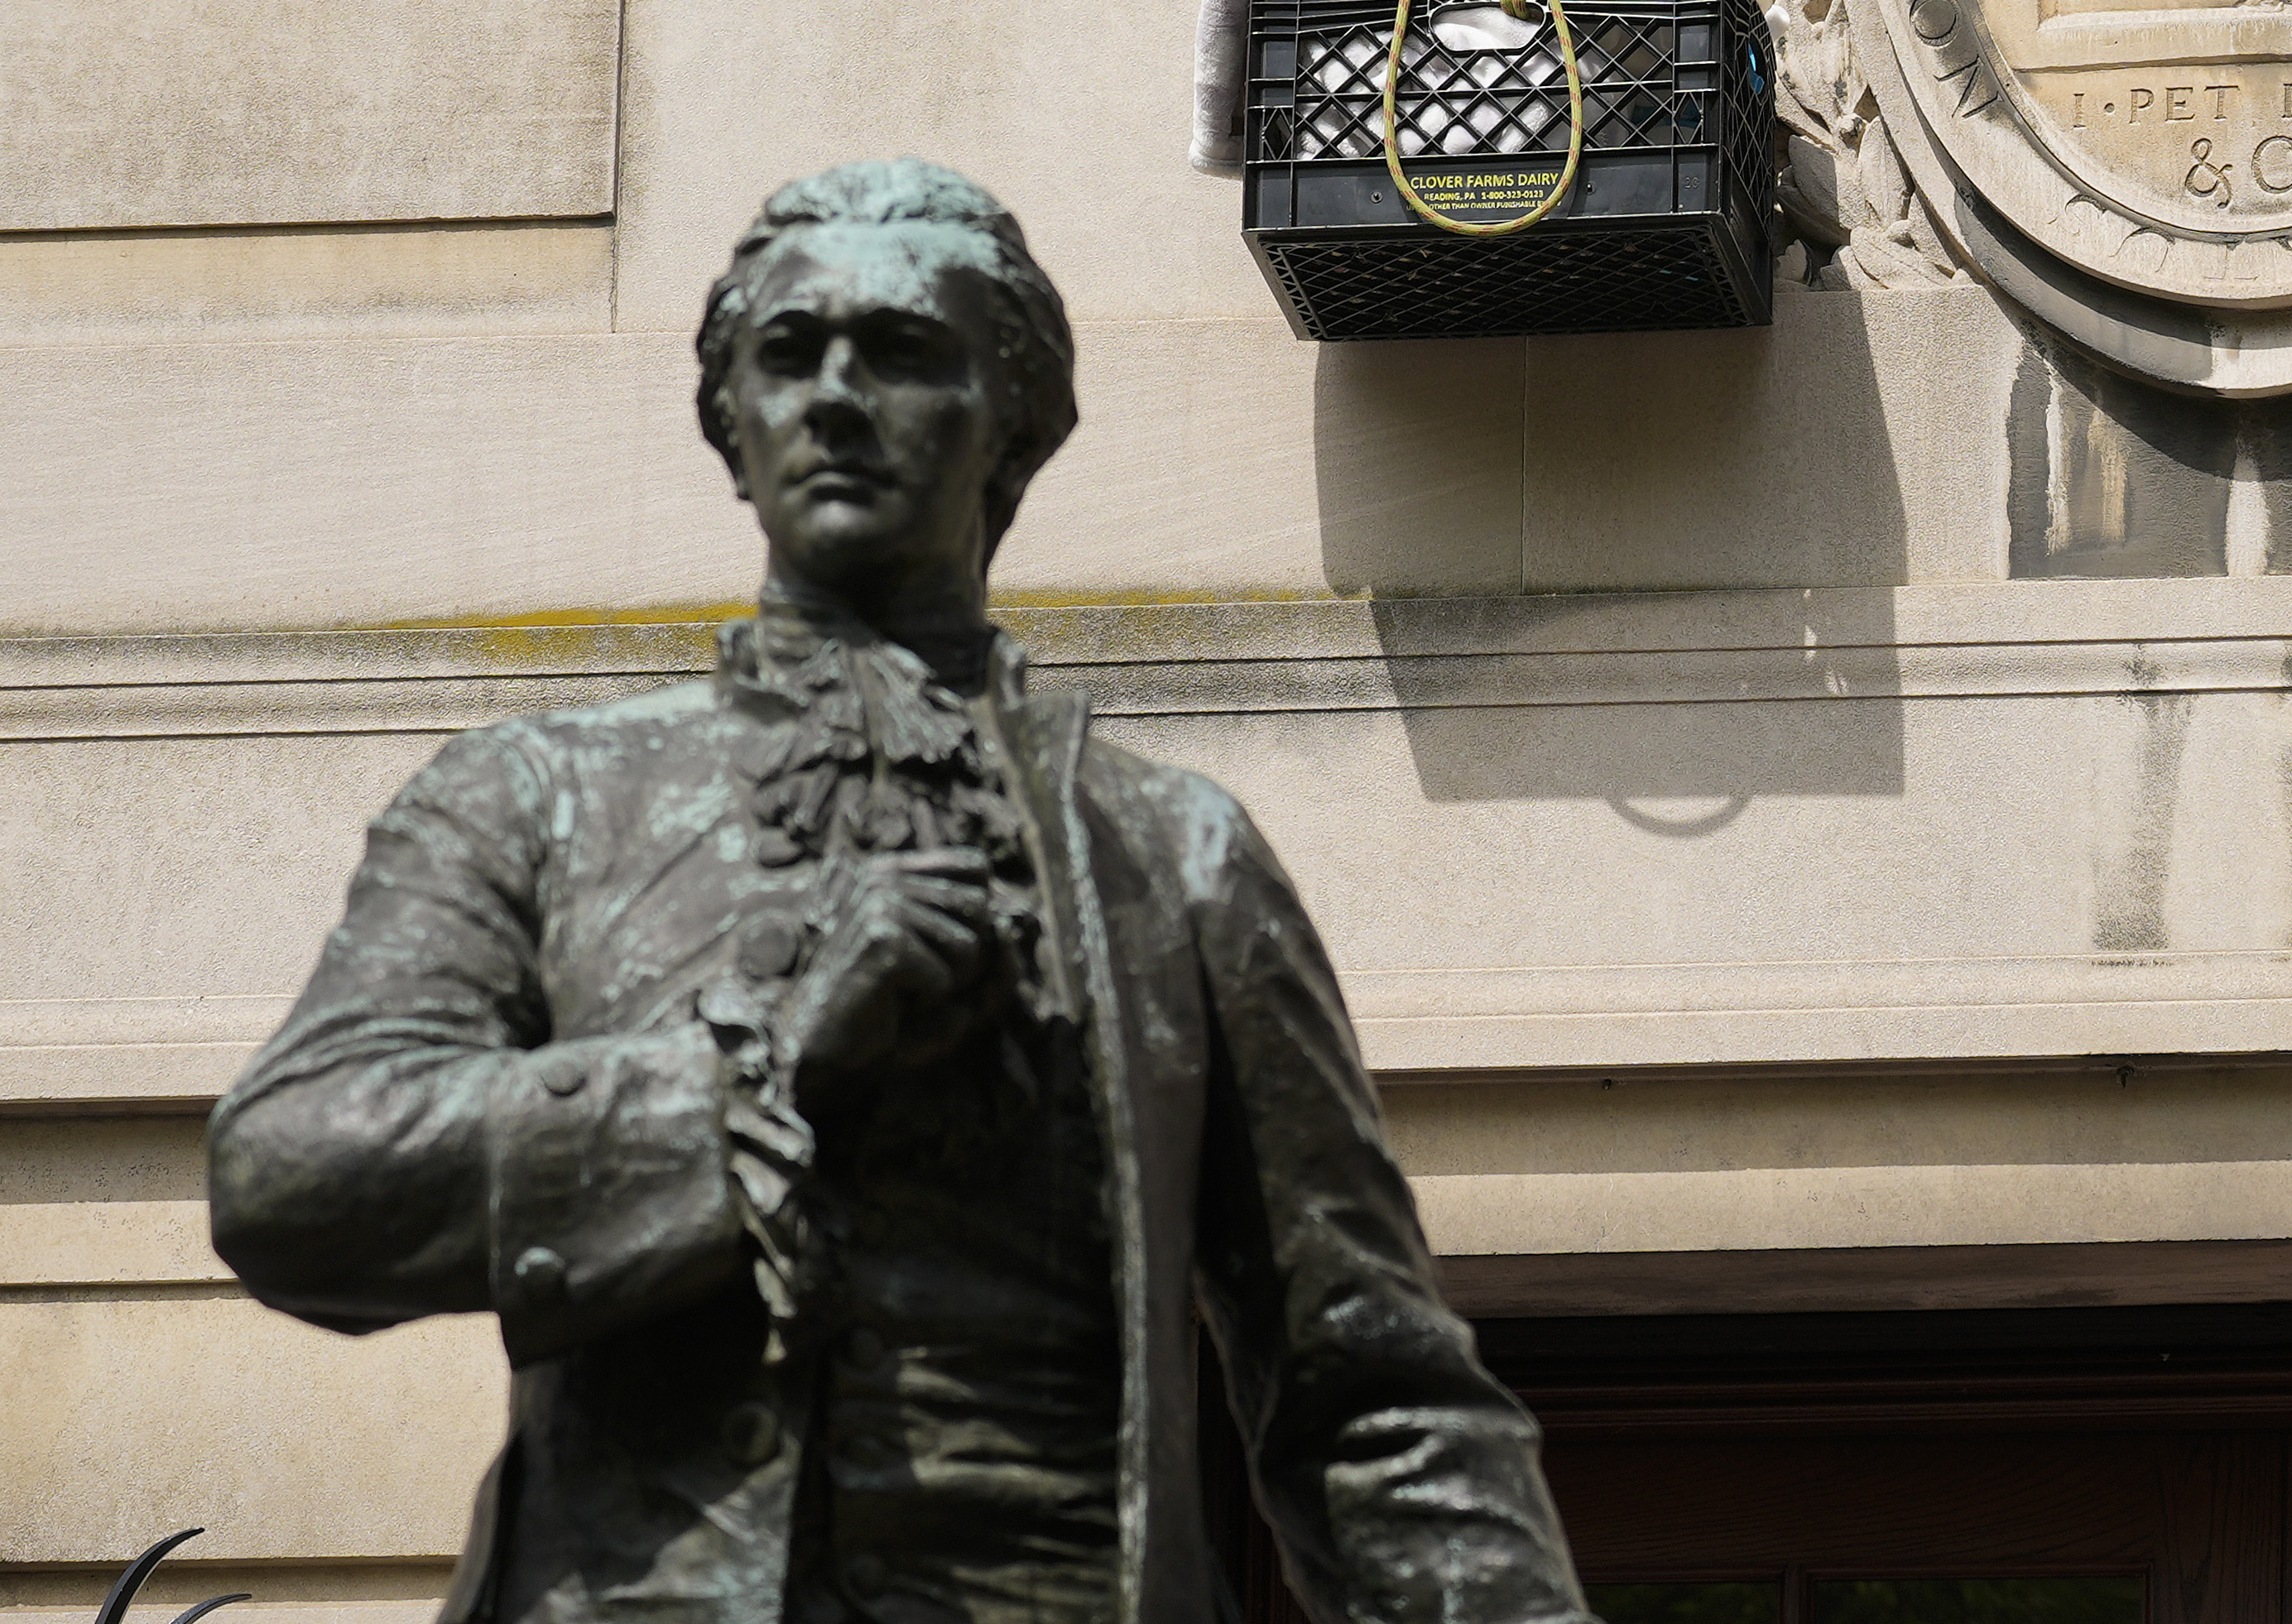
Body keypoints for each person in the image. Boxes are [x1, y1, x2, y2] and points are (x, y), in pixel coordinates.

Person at [210, 161, 1593, 1624]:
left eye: (906, 349)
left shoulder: (1178, 855)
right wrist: (755, 1065)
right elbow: (293, 1172)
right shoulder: (538, 796)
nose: (838, 394)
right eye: (788, 351)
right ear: (728, 422)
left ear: (1014, 421)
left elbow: (1372, 1397)